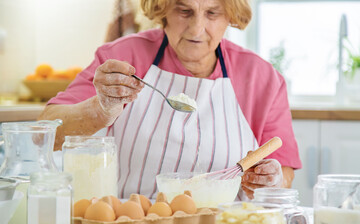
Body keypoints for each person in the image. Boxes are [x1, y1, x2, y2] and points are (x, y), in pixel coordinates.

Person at [39, 0, 301, 200]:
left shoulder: (261, 77)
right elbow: (45, 134)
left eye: (212, 13)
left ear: (230, 16)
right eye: (184, 11)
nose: (197, 29)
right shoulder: (123, 56)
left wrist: (272, 180)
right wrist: (101, 110)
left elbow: (284, 171)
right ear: (162, 9)